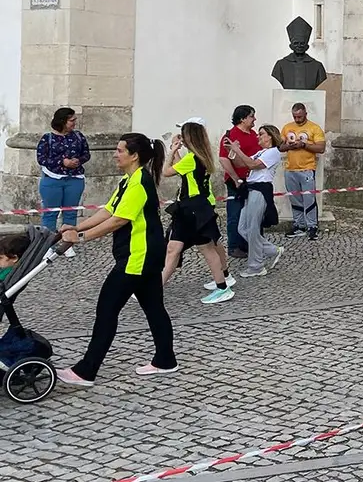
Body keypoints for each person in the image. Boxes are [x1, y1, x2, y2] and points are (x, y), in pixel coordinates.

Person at [56, 134, 177, 386]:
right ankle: (166, 360)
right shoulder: (128, 181)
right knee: (154, 308)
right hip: (145, 256)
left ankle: (86, 371)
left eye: (120, 150)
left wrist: (81, 237)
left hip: (138, 257)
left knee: (107, 310)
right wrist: (76, 226)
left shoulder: (140, 183)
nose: (115, 154)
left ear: (134, 155)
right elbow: (108, 210)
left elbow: (119, 220)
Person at [161, 119, 232, 304]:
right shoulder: (200, 157)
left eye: (184, 135)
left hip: (191, 208)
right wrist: (177, 151)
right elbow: (182, 169)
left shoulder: (192, 159)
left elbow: (167, 171)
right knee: (174, 248)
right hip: (193, 208)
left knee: (206, 249)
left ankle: (222, 287)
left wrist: (171, 151)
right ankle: (155, 286)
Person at [226, 125, 286, 279]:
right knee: (243, 228)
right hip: (251, 190)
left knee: (252, 229)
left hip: (260, 190)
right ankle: (273, 250)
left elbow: (253, 165)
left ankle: (256, 266)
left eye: (261, 134)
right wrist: (232, 150)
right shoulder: (262, 152)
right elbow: (241, 163)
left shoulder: (273, 152)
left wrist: (237, 150)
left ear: (270, 137)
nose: (258, 137)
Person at [37, 107, 91, 240]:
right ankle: (47, 243)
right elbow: (41, 159)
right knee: (50, 213)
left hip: (75, 180)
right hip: (52, 180)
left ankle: (68, 241)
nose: (74, 123)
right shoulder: (47, 138)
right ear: (62, 121)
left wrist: (78, 160)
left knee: (71, 213)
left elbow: (86, 154)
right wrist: (62, 162)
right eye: (71, 120)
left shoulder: (78, 136)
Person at [280, 103, 326, 240]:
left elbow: (321, 148)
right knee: (294, 199)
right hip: (290, 169)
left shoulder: (314, 128)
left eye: (300, 116)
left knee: (309, 198)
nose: (297, 119)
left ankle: (312, 226)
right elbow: (279, 147)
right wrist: (287, 146)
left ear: (306, 114)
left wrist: (304, 145)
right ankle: (299, 225)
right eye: (295, 117)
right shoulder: (287, 127)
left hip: (307, 169)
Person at [218, 105, 260, 259]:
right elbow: (224, 158)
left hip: (252, 179)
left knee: (250, 214)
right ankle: (234, 246)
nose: (254, 118)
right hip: (237, 181)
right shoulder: (231, 135)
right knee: (235, 213)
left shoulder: (253, 134)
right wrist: (236, 179)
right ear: (242, 118)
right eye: (251, 116)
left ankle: (247, 244)